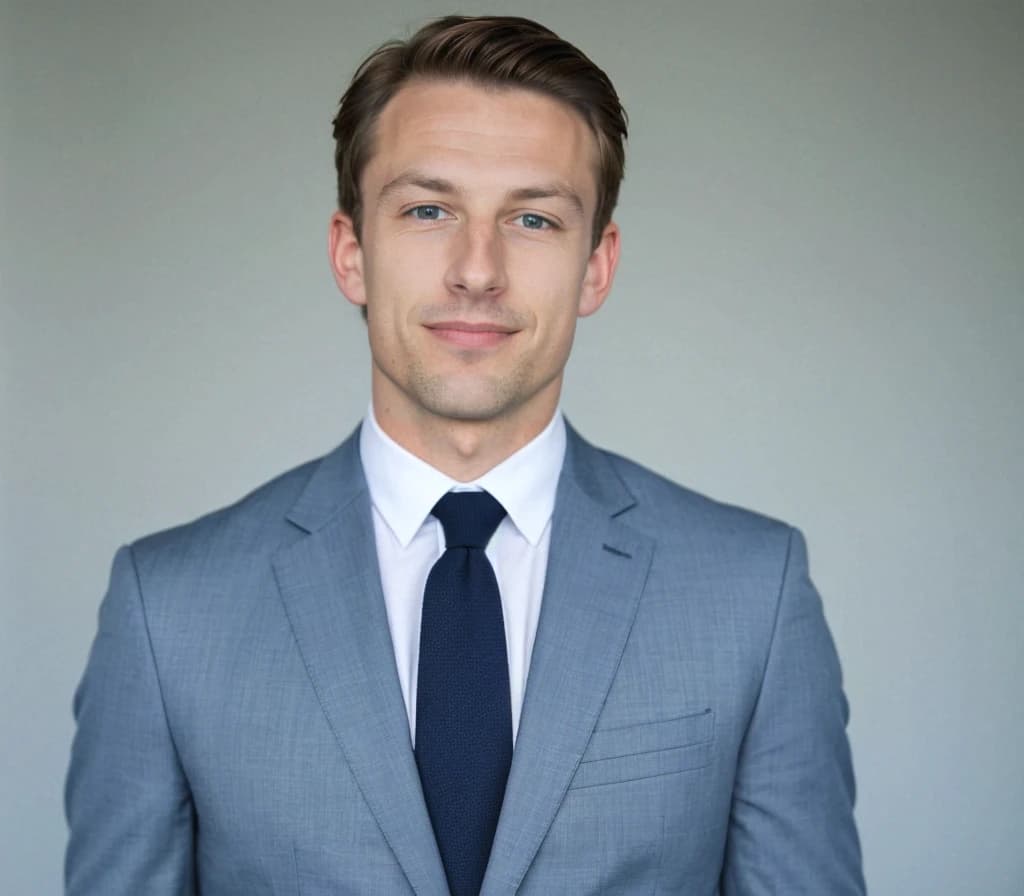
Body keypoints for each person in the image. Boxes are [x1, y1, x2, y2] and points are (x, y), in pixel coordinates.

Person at [64, 15, 864, 896]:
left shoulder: (753, 592)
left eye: (532, 217)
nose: (476, 269)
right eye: (428, 210)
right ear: (351, 254)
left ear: (596, 267)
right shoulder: (168, 611)